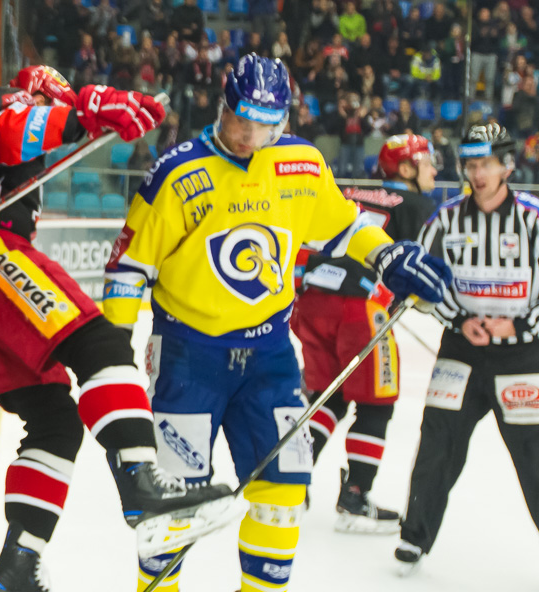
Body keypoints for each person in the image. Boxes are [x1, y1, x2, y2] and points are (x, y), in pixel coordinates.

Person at [103, 54, 450, 592]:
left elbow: (345, 226)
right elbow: (128, 269)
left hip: (270, 357)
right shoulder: (176, 172)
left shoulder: (302, 165)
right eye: (241, 120)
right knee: (175, 504)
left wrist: (386, 255)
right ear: (223, 108)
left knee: (285, 493)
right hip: (188, 355)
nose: (249, 136)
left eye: (265, 125)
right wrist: (111, 356)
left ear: (284, 120)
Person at [0, 67, 232, 591]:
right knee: (97, 341)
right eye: (48, 105)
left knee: (54, 417)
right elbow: (15, 128)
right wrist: (82, 113)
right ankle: (141, 482)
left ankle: (19, 563)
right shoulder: (2, 102)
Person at [396, 124, 539, 574]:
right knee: (438, 440)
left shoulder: (533, 220)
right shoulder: (445, 220)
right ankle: (414, 536)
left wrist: (520, 323)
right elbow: (424, 284)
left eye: (487, 164)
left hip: (522, 355)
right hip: (461, 349)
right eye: (472, 165)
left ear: (507, 166)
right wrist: (459, 320)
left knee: (533, 452)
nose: (478, 174)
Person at [291, 135, 438, 534]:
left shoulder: (349, 191)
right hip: (361, 309)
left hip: (312, 302)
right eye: (427, 162)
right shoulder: (418, 205)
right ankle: (355, 498)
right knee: (376, 403)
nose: (434, 170)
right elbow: (426, 266)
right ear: (406, 169)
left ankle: (291, 481)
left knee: (329, 394)